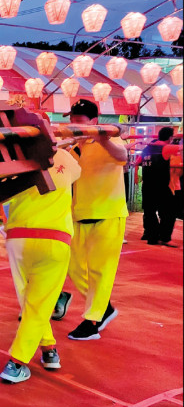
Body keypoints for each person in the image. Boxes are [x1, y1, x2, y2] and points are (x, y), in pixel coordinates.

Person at [0, 120, 82, 384]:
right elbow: (77, 174)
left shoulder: (12, 158)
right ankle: (17, 362)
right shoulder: (65, 158)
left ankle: (49, 349)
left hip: (18, 239)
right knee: (39, 302)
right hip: (54, 239)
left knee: (31, 301)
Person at [64, 99, 127, 341]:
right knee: (73, 266)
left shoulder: (109, 139)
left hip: (108, 213)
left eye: (79, 121)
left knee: (101, 270)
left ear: (93, 121)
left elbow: (122, 155)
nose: (75, 124)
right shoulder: (73, 147)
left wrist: (104, 138)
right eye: (73, 119)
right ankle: (105, 307)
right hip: (80, 214)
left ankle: (93, 320)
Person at [140, 126, 176, 246]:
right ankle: (164, 237)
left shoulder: (147, 148)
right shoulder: (166, 147)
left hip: (147, 185)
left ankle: (152, 237)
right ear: (170, 138)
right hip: (161, 186)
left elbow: (137, 162)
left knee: (149, 212)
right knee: (168, 213)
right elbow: (180, 148)